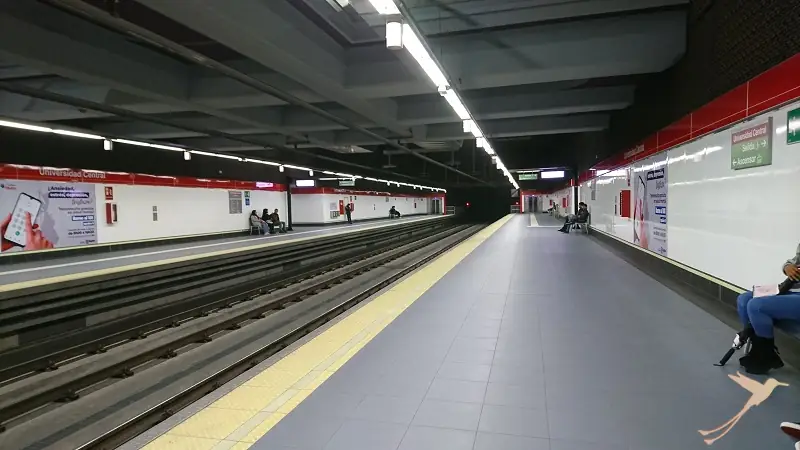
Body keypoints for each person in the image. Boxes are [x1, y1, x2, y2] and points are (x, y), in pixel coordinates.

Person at [736, 244, 800, 374]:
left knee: (756, 306)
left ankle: (764, 357)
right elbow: (793, 262)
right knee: (744, 300)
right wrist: (788, 268)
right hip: (791, 288)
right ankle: (762, 349)